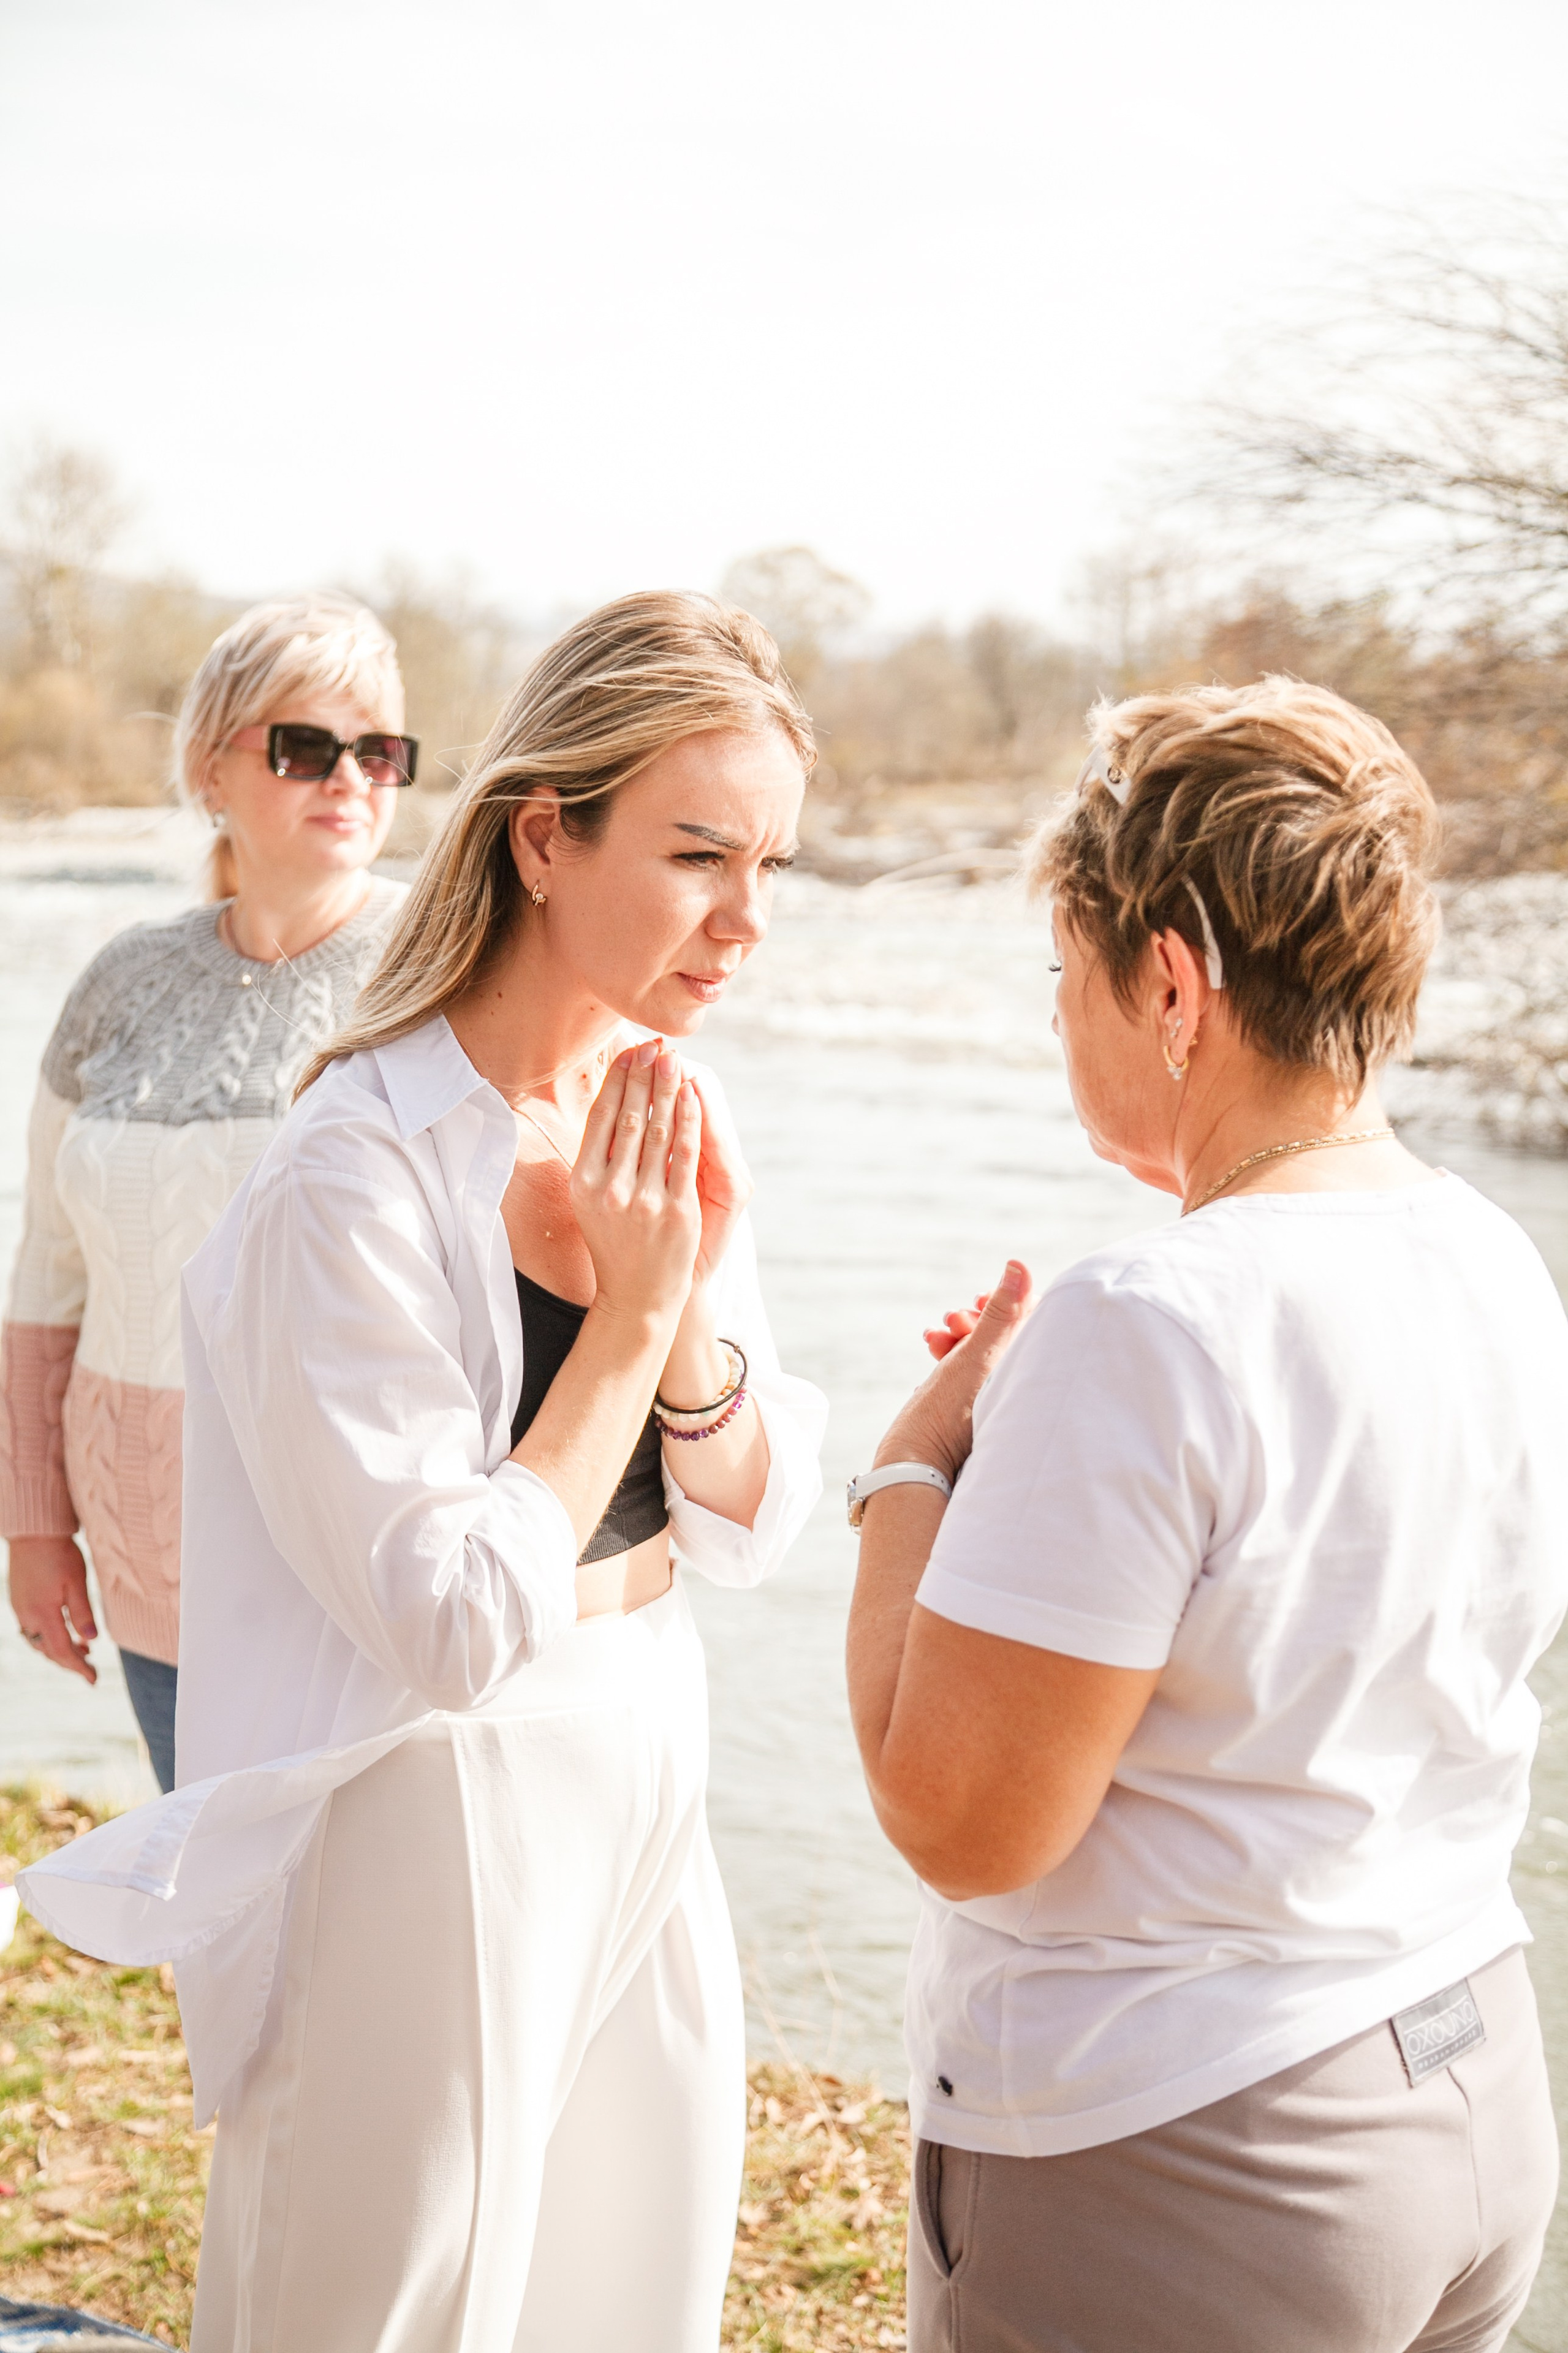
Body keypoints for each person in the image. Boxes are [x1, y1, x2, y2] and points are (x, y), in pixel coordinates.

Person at [20, 590, 827, 2353]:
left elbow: (750, 1519)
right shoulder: (349, 1173)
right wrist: (630, 1321)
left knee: (626, 2297)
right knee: (401, 2306)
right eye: (699, 856)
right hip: (440, 1810)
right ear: (544, 838)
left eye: (770, 863)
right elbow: (449, 1619)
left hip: (650, 1751)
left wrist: (686, 1321)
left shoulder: (659, 1100)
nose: (748, 920)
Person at [845, 678, 1568, 2353]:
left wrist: (910, 1475)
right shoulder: (1491, 1256)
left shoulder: (1148, 1317)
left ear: (1172, 985)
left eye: (1063, 974)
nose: (1056, 1021)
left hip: (1190, 2157)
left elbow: (958, 1822)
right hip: (1461, 2078)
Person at [1, 594, 412, 1790]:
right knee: (212, 1892)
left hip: (351, 1563)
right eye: (305, 746)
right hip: (147, 1549)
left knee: (358, 1895)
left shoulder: (441, 969)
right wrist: (34, 1522)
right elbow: (46, 1269)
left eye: (378, 750)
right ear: (209, 768)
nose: (349, 778)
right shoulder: (120, 981)